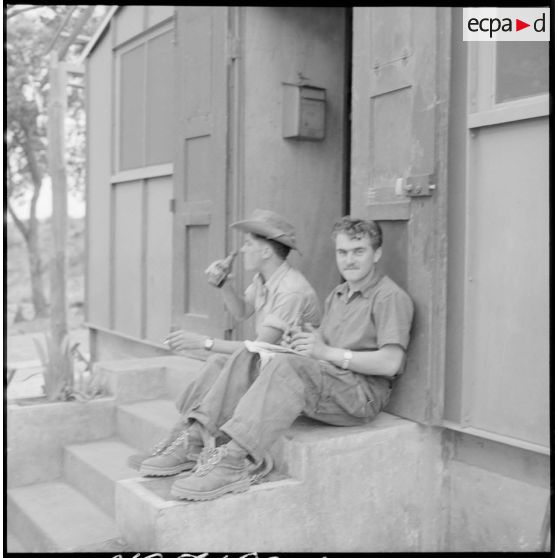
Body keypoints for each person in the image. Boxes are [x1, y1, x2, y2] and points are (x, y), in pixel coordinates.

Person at [162, 216, 415, 501]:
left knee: (281, 365)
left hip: (362, 394)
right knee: (251, 357)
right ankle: (195, 438)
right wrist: (305, 340)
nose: (349, 260)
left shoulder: (388, 297)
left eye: (359, 251)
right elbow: (323, 345)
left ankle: (233, 460)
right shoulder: (338, 294)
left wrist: (325, 352)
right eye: (342, 252)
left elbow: (391, 363)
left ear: (376, 254)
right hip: (331, 380)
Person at [133, 209, 321, 475]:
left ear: (266, 251)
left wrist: (204, 341)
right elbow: (242, 311)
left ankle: (193, 443)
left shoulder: (292, 290)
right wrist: (223, 285)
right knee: (218, 361)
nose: (243, 250)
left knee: (223, 358)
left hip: (290, 378)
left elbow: (259, 348)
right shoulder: (264, 279)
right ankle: (185, 436)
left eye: (248, 244)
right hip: (270, 363)